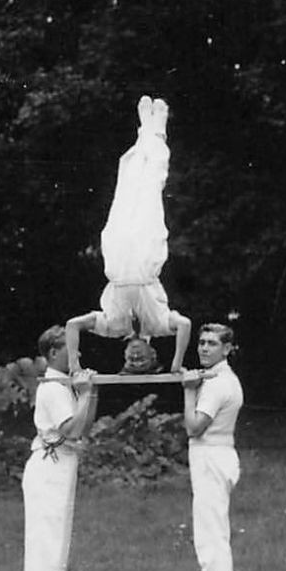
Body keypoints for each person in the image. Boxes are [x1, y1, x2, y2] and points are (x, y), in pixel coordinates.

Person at [66, 95, 192, 375]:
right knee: (148, 190)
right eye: (142, 361)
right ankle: (157, 128)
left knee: (125, 191)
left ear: (123, 354)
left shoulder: (112, 328)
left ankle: (145, 130)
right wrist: (176, 363)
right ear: (152, 352)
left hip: (118, 261)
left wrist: (74, 365)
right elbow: (184, 325)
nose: (135, 357)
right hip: (147, 259)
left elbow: (73, 325)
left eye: (130, 362)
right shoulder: (159, 326)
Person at [20, 324, 97, 571]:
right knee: (46, 539)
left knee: (60, 538)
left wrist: (92, 394)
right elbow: (72, 429)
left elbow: (84, 425)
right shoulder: (51, 388)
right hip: (48, 467)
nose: (77, 354)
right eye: (71, 348)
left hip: (63, 465)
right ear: (53, 353)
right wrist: (85, 394)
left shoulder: (64, 386)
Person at [183, 322, 245, 571]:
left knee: (212, 536)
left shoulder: (219, 383)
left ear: (227, 348)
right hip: (212, 454)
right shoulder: (216, 377)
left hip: (212, 455)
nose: (204, 348)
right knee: (212, 533)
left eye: (212, 343)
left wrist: (188, 392)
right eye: (202, 342)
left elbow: (194, 426)